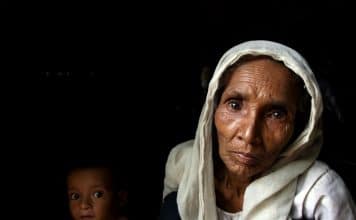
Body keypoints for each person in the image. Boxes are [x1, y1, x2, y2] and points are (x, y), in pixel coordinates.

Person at [159, 40, 356, 220]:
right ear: (213, 108)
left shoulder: (319, 193)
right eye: (235, 105)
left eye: (276, 114)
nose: (249, 135)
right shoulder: (183, 163)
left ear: (300, 125)